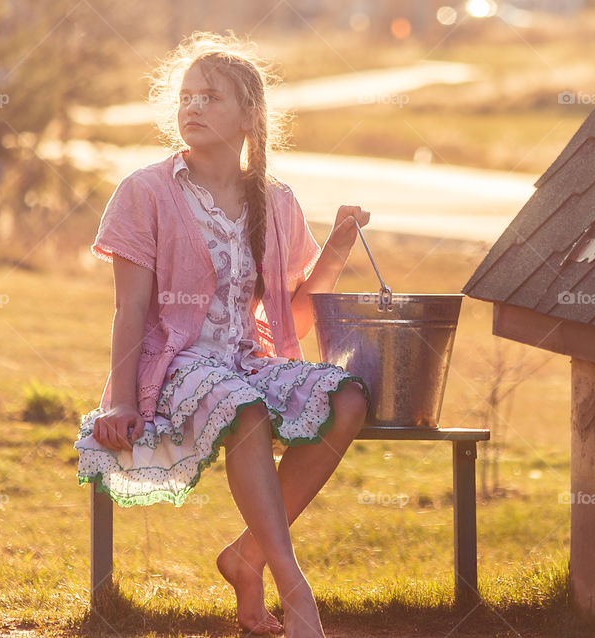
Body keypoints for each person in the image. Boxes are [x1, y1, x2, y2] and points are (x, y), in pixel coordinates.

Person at [73, 31, 373, 638]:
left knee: (347, 399)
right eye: (186, 96)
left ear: (250, 118)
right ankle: (296, 591)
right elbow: (129, 309)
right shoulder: (146, 192)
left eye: (210, 97)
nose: (193, 107)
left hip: (245, 363)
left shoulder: (276, 201)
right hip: (175, 367)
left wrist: (336, 248)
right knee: (244, 407)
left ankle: (246, 557)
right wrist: (122, 400)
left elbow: (294, 317)